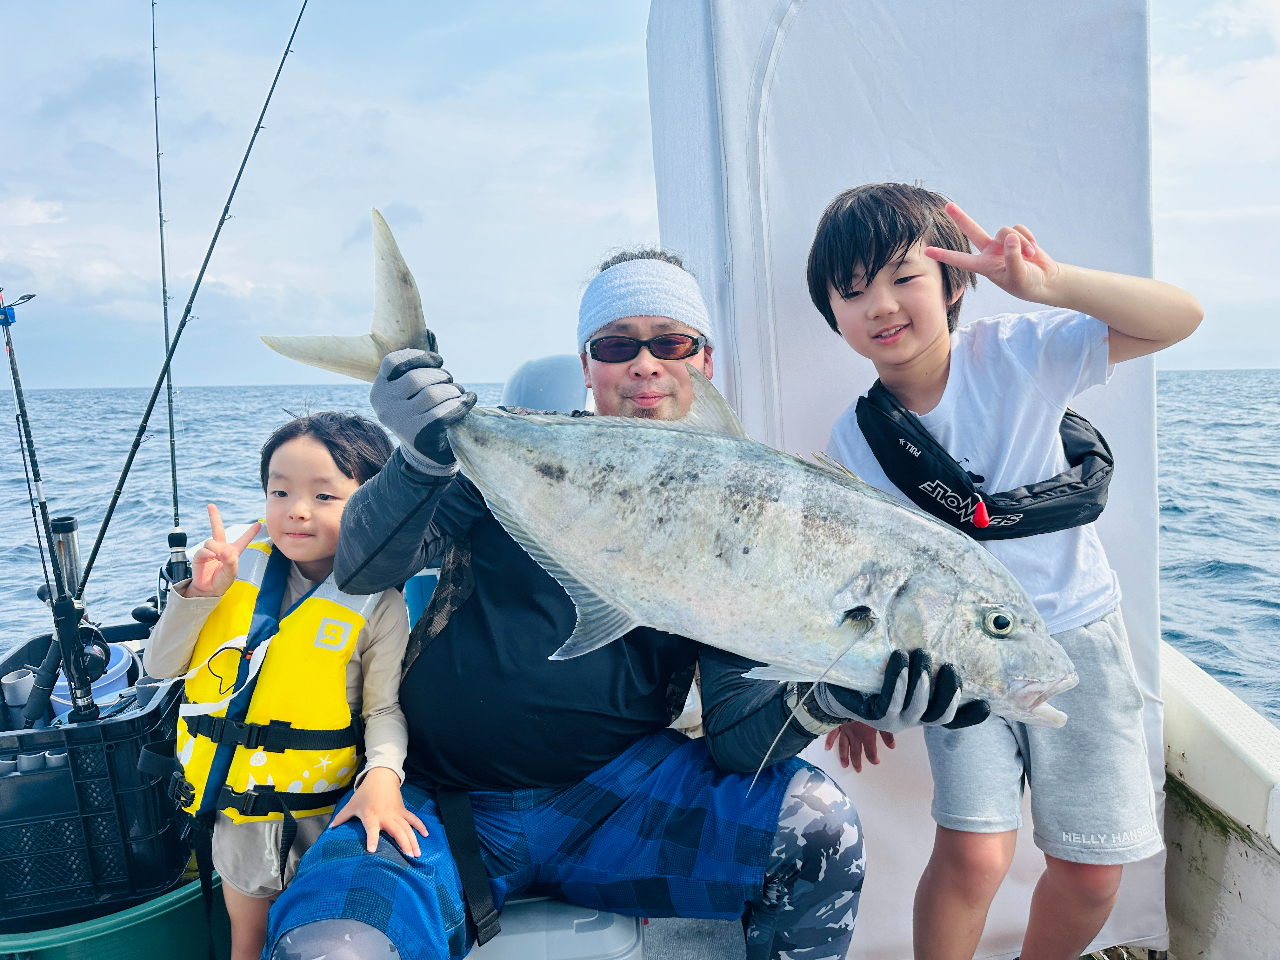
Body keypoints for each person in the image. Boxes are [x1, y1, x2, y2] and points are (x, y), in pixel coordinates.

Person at [266, 248, 987, 960]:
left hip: (618, 799)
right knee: (332, 947)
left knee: (815, 828)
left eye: (671, 342)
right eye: (617, 345)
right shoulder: (515, 450)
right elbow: (364, 567)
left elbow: (737, 743)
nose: (645, 364)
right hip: (439, 800)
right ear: (588, 367)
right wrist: (419, 456)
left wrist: (834, 696)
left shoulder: (750, 514)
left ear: (705, 362)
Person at [807, 182, 1203, 960]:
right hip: (960, 661)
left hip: (1076, 638)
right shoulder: (854, 440)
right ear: (835, 316)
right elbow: (855, 574)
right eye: (853, 293)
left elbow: (1178, 317)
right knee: (974, 855)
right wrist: (850, 691)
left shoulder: (1020, 353)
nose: (880, 305)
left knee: (1092, 871)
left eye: (901, 277)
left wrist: (1048, 284)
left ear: (954, 283)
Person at [144, 413, 421, 960]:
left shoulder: (380, 603)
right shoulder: (232, 571)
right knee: (246, 943)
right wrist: (198, 595)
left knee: (319, 939)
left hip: (329, 816)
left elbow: (384, 709)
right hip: (236, 816)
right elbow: (159, 667)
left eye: (324, 495)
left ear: (373, 505)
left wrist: (384, 777)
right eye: (280, 490)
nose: (296, 509)